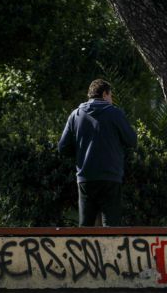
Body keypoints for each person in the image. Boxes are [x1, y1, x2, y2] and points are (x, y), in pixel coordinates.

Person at [58, 79, 137, 226]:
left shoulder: (76, 115)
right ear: (105, 94)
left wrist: (80, 154)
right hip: (111, 176)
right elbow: (132, 140)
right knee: (111, 227)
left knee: (86, 226)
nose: (111, 100)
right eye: (111, 96)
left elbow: (63, 147)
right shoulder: (115, 113)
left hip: (85, 177)